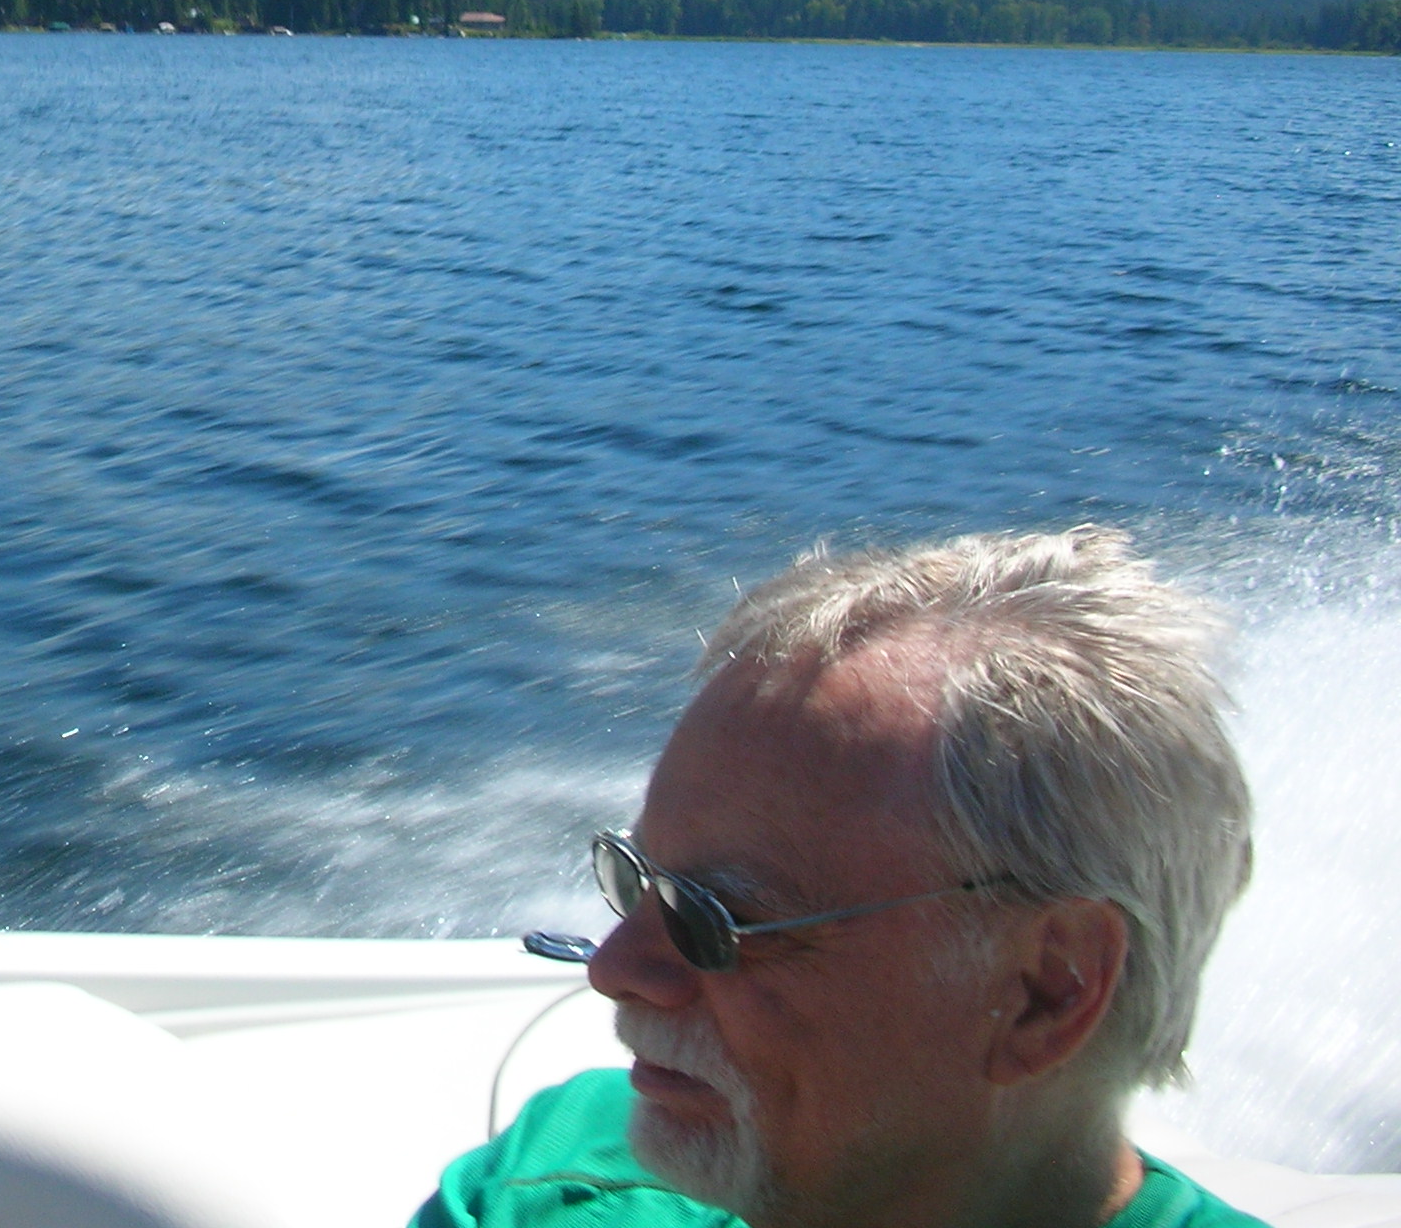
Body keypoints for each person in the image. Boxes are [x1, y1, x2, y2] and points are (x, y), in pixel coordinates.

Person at [418, 526, 1260, 1228]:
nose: (613, 968)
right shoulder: (551, 1173)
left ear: (1048, 990)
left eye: (716, 917)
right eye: (636, 879)